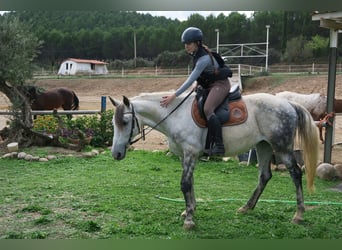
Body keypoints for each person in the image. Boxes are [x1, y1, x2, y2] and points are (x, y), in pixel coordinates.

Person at [160, 27, 231, 156]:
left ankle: (219, 146)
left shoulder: (203, 59)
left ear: (197, 43)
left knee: (208, 109)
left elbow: (189, 80)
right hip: (209, 85)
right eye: (185, 44)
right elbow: (205, 74)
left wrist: (173, 96)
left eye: (189, 43)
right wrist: (198, 83)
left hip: (220, 85)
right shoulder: (198, 54)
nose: (186, 46)